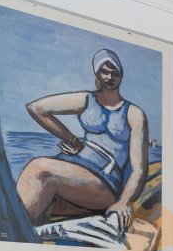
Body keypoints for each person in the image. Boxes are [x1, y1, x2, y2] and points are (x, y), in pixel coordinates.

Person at [17, 47, 148, 232]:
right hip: (75, 170)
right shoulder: (87, 99)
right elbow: (36, 108)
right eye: (104, 71)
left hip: (105, 180)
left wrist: (123, 202)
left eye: (114, 73)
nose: (109, 77)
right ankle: (18, 235)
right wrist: (72, 140)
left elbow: (139, 169)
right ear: (97, 74)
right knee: (33, 189)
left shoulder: (134, 114)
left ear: (121, 76)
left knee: (40, 169)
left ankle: (16, 232)